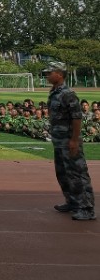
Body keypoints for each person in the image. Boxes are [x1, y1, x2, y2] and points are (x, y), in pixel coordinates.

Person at [43, 63, 95, 221]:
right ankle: (72, 201)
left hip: (69, 141)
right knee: (63, 173)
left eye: (49, 73)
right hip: (59, 141)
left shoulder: (67, 93)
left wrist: (74, 140)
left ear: (59, 74)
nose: (47, 76)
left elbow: (77, 118)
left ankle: (86, 208)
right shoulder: (54, 92)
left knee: (77, 174)